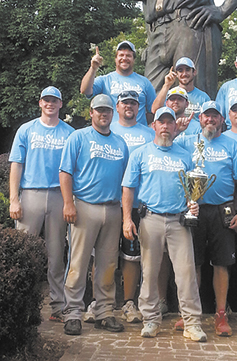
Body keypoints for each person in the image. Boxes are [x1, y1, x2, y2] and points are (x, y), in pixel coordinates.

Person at [122, 107, 207, 342]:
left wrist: (193, 203)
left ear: (174, 126)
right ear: (154, 126)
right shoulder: (140, 154)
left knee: (186, 274)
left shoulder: (185, 155)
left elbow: (193, 190)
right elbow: (128, 188)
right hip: (150, 219)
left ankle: (192, 323)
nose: (166, 126)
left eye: (170, 122)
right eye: (162, 122)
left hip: (179, 220)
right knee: (149, 272)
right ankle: (151, 319)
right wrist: (127, 219)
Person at [178, 100, 237, 336]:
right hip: (194, 209)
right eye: (206, 116)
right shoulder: (186, 142)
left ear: (222, 120)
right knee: (193, 263)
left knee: (222, 263)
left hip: (223, 210)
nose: (210, 120)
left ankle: (221, 314)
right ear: (200, 119)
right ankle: (190, 314)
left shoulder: (232, 145)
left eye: (214, 116)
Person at [59, 94, 129, 336]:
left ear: (113, 113)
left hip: (112, 208)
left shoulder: (121, 143)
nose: (103, 114)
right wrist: (69, 202)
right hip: (85, 206)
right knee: (78, 262)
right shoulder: (78, 137)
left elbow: (126, 182)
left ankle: (104, 312)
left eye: (107, 110)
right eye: (99, 110)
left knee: (108, 264)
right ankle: (73, 313)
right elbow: (65, 172)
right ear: (91, 112)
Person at [8, 86, 74, 322]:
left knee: (56, 254)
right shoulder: (26, 130)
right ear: (40, 103)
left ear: (60, 104)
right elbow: (16, 164)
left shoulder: (69, 133)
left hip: (58, 196)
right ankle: (22, 306)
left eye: (54, 100)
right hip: (31, 194)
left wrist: (71, 201)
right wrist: (14, 199)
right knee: (24, 252)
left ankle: (57, 306)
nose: (50, 104)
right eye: (46, 100)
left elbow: (74, 169)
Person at [111, 90, 155, 323]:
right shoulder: (108, 129)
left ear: (139, 108)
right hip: (108, 202)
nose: (129, 106)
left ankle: (129, 302)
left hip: (138, 204)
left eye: (133, 103)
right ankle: (101, 302)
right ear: (117, 107)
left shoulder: (149, 133)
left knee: (132, 256)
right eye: (124, 103)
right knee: (104, 254)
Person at [80, 40, 156, 125]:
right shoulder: (105, 80)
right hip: (111, 134)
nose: (124, 58)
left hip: (138, 136)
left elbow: (153, 110)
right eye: (121, 55)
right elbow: (85, 90)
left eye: (128, 55)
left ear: (134, 59)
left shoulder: (145, 82)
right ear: (116, 59)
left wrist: (141, 125)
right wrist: (93, 68)